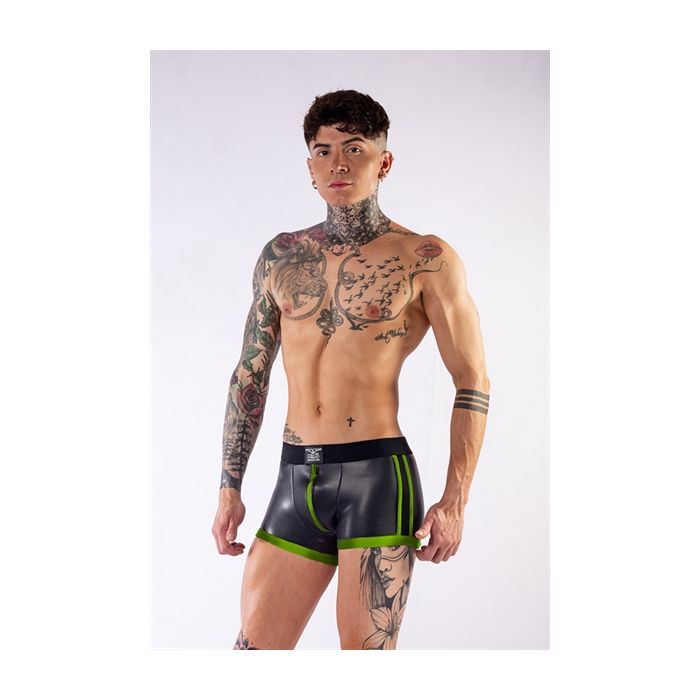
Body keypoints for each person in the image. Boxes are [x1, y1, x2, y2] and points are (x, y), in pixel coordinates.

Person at [211, 89, 490, 650]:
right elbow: (249, 375)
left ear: (383, 162)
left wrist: (455, 500)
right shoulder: (280, 256)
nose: (338, 163)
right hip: (295, 478)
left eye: (354, 149)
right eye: (324, 151)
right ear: (310, 167)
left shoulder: (425, 258)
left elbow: (472, 381)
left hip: (376, 479)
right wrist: (229, 486)